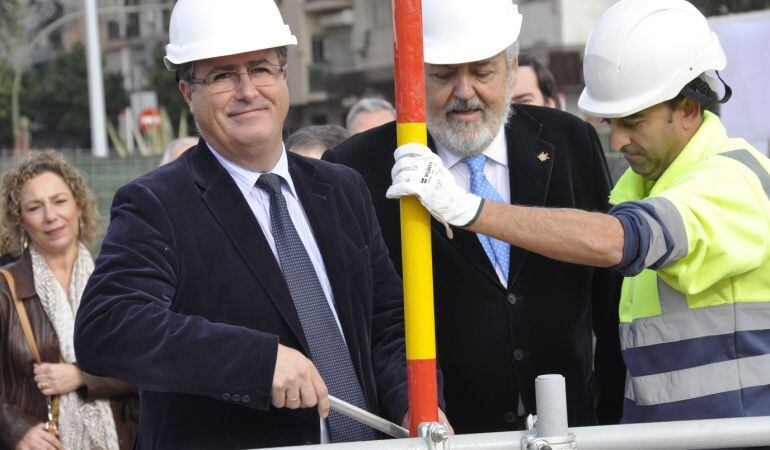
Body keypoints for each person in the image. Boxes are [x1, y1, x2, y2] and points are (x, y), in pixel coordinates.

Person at [388, 0, 770, 424]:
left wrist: (469, 208)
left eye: (634, 121)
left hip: (737, 430)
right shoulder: (646, 187)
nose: (619, 141)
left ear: (688, 110)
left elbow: (616, 241)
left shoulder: (734, 181)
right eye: (611, 123)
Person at [73, 1, 425, 448]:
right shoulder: (156, 203)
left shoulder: (341, 188)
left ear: (284, 76)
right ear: (187, 91)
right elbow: (108, 327)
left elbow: (387, 322)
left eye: (260, 69)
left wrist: (411, 404)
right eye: (222, 75)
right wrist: (258, 362)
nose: (247, 91)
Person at [325, 0, 625, 433]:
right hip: (443, 433)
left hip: (572, 426)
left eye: (482, 72)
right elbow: (367, 320)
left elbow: (609, 297)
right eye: (443, 74)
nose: (463, 92)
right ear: (412, 72)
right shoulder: (360, 166)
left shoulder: (570, 140)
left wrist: (613, 418)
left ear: (512, 65)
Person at [0, 151, 138, 450]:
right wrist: (14, 430)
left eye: (60, 201)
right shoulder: (5, 289)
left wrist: (81, 376)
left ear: (79, 207)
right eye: (35, 207)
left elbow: (150, 364)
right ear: (20, 221)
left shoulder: (118, 279)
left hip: (125, 439)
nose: (51, 216)